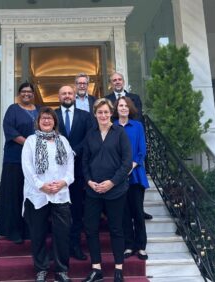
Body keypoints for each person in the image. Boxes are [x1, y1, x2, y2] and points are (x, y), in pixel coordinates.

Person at [82, 98, 132, 282]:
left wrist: (112, 182)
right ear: (94, 114)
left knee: (116, 228)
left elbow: (127, 162)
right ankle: (97, 268)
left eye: (106, 112)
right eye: (99, 112)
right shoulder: (90, 134)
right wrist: (89, 181)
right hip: (93, 190)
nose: (103, 115)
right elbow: (85, 161)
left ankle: (118, 268)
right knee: (91, 229)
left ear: (111, 113)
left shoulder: (120, 133)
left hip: (116, 190)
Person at [22, 107, 74, 282]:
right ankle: (41, 269)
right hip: (37, 195)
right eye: (43, 118)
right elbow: (27, 168)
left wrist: (63, 182)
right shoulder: (30, 141)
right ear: (38, 121)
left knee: (62, 233)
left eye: (49, 119)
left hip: (61, 194)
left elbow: (70, 168)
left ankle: (61, 270)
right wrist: (41, 186)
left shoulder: (64, 141)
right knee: (38, 234)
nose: (46, 121)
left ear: (55, 122)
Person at [0, 82, 38, 243]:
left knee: (30, 195)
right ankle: (12, 231)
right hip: (15, 159)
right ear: (19, 94)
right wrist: (29, 144)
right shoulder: (13, 109)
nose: (26, 94)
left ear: (33, 94)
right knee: (14, 194)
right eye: (23, 91)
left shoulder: (38, 110)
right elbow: (10, 131)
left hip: (34, 160)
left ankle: (28, 229)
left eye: (29, 91)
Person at [106, 72, 153, 220]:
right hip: (119, 168)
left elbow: (139, 118)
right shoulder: (107, 101)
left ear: (124, 81)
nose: (117, 82)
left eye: (119, 79)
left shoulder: (135, 98)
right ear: (111, 83)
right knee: (123, 211)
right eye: (114, 80)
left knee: (137, 205)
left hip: (134, 160)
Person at [55, 85, 93, 261]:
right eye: (64, 93)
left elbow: (89, 137)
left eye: (70, 93)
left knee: (77, 210)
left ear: (74, 96)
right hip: (56, 171)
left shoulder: (85, 116)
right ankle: (60, 248)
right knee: (58, 211)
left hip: (78, 171)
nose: (67, 96)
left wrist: (73, 151)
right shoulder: (51, 115)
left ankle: (75, 245)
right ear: (59, 96)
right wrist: (63, 153)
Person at [113, 97, 149, 261]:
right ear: (117, 108)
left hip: (135, 174)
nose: (123, 108)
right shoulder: (112, 127)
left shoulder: (138, 126)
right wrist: (120, 170)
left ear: (130, 108)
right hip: (118, 177)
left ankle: (141, 247)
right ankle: (128, 245)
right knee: (124, 213)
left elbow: (142, 149)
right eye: (120, 105)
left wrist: (131, 166)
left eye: (126, 105)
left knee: (137, 212)